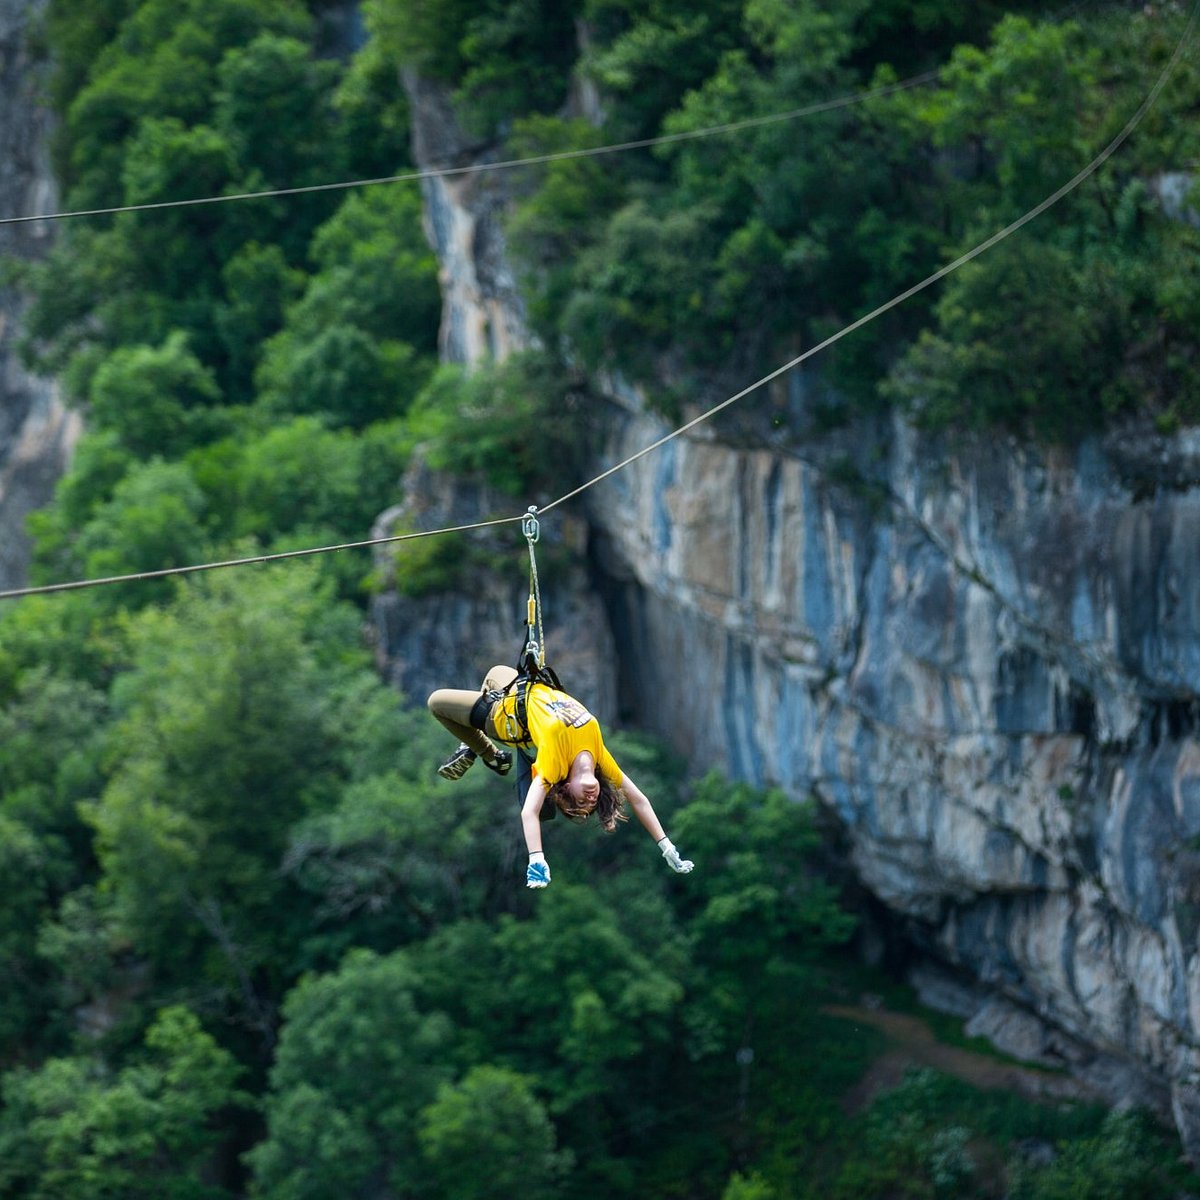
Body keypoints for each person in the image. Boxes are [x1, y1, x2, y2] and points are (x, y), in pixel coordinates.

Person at [428, 664, 695, 888]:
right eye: (591, 804)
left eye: (579, 802)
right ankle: (472, 743)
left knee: (436, 702)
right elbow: (639, 799)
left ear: (565, 787)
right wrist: (666, 846)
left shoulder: (554, 765)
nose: (589, 799)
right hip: (522, 689)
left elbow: (529, 812)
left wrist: (536, 858)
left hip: (505, 720)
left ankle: (488, 753)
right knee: (495, 672)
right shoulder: (599, 756)